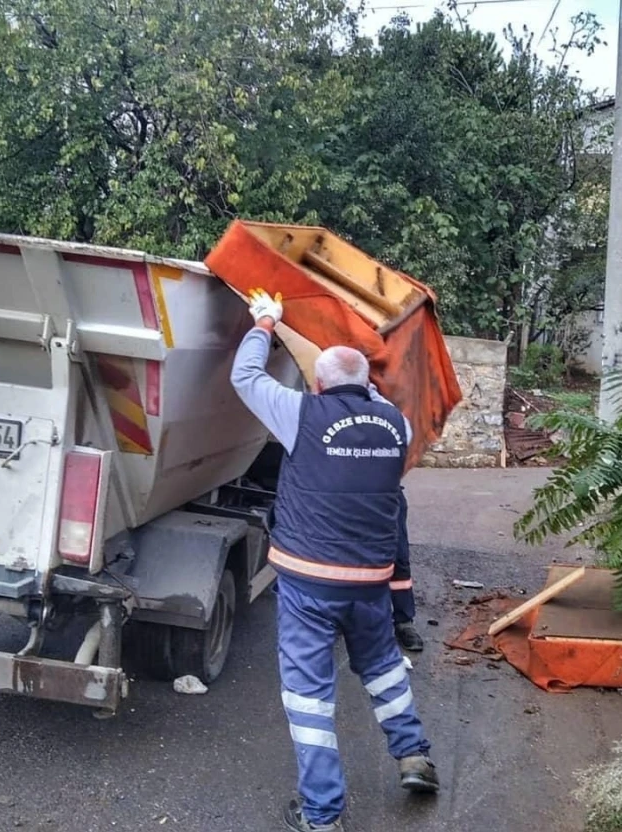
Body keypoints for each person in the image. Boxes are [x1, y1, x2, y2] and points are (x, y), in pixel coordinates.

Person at [231, 289, 439, 832]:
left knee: (309, 696)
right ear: (366, 385)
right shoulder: (397, 425)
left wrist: (266, 322)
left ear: (319, 385)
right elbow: (376, 398)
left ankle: (321, 815)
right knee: (384, 669)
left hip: (308, 584)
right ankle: (414, 757)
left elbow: (246, 379)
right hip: (370, 583)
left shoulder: (302, 413)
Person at [390, 487, 424, 652]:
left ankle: (404, 621)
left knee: (398, 557)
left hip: (386, 493)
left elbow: (410, 460)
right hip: (343, 494)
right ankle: (339, 617)